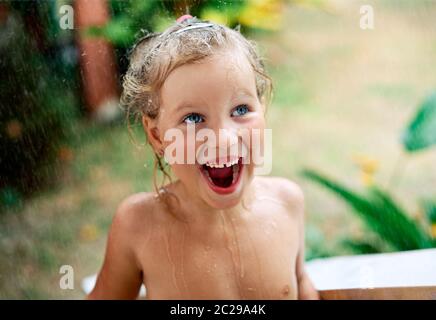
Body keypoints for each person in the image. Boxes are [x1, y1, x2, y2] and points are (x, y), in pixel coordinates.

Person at [88, 15, 319, 300]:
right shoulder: (139, 226)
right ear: (158, 135)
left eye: (241, 110)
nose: (223, 139)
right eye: (194, 118)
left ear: (263, 108)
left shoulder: (287, 203)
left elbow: (300, 281)